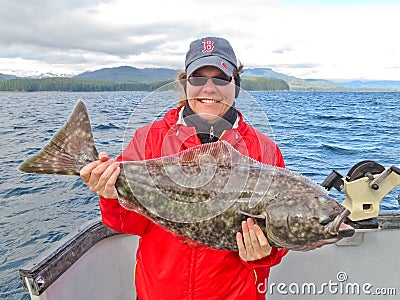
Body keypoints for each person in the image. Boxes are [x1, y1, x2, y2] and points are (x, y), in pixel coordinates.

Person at [80, 37, 288, 300]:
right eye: (198, 78)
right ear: (185, 83)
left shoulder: (265, 150)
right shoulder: (149, 139)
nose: (209, 88)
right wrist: (109, 195)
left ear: (236, 85)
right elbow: (129, 223)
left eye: (221, 78)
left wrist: (266, 252)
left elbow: (284, 230)